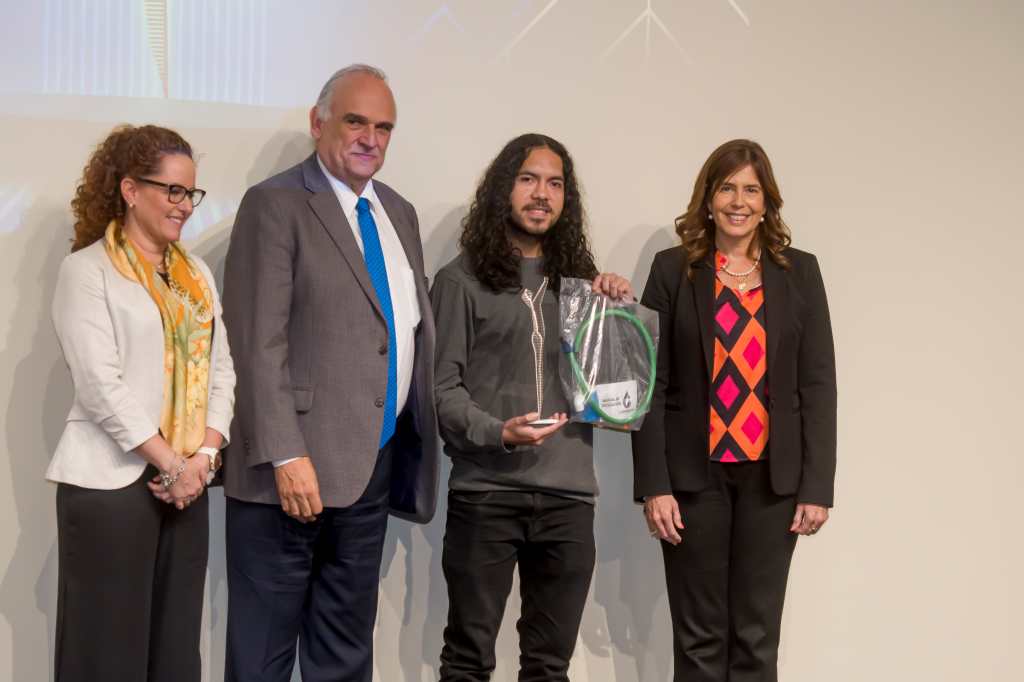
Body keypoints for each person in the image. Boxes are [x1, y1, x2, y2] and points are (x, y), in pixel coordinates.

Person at [221, 64, 438, 682]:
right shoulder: (276, 203)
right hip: (289, 478)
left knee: (344, 652)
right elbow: (256, 341)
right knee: (263, 655)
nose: (371, 137)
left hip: (371, 469)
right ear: (318, 124)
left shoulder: (399, 213)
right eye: (355, 121)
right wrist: (287, 455)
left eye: (384, 127)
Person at [632, 138, 837, 681]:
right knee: (699, 640)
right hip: (693, 482)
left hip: (774, 482)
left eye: (751, 189)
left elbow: (818, 384)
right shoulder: (673, 270)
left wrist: (817, 487)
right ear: (708, 197)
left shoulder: (801, 273)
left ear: (767, 202)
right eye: (727, 188)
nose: (738, 201)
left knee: (756, 637)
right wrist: (655, 484)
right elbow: (651, 380)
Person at [431, 133, 634, 682]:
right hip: (486, 496)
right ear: (503, 189)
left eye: (554, 183)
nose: (541, 194)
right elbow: (441, 390)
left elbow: (615, 395)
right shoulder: (459, 280)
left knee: (548, 668)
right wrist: (500, 432)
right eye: (527, 179)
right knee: (468, 661)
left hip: (569, 500)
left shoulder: (581, 288)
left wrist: (616, 310)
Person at [48, 124, 235, 681]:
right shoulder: (87, 271)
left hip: (187, 488)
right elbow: (100, 386)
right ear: (130, 190)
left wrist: (202, 459)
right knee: (106, 653)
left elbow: (222, 368)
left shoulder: (195, 274)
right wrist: (171, 462)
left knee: (175, 651)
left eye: (190, 193)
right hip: (111, 485)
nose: (184, 206)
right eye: (171, 191)